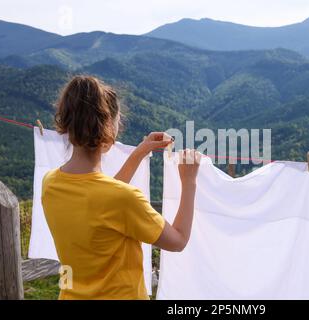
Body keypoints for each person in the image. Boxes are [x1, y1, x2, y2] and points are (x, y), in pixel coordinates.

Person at [41, 75, 201, 300]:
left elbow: (101, 199)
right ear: (108, 125)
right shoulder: (124, 198)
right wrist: (189, 181)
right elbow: (178, 240)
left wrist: (138, 153)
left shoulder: (50, 184)